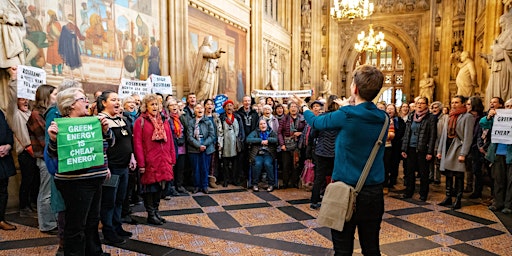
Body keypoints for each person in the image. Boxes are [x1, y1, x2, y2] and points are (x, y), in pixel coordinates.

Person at [292, 64, 387, 255]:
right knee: (372, 249)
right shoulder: (384, 118)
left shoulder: (346, 115)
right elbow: (362, 116)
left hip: (345, 191)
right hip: (374, 193)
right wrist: (349, 106)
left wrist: (304, 105)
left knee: (342, 250)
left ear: (355, 89)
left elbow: (317, 122)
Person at [47, 87, 112, 255]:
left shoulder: (92, 122)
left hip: (95, 179)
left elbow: (109, 145)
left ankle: (94, 253)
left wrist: (106, 132)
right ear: (70, 105)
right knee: (76, 225)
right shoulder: (61, 125)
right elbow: (53, 153)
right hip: (75, 182)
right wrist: (53, 140)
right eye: (82, 99)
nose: (87, 102)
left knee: (92, 221)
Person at [97, 90, 136, 244]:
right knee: (109, 200)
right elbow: (101, 145)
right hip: (111, 167)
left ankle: (117, 225)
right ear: (104, 103)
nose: (118, 102)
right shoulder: (100, 121)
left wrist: (131, 156)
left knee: (120, 198)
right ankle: (108, 230)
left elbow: (128, 141)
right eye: (113, 99)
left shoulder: (122, 120)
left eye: (118, 99)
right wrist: (104, 166)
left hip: (124, 167)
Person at [133, 94, 176, 225]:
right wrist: (141, 163)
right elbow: (138, 144)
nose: (154, 107)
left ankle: (156, 211)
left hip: (163, 160)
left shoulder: (164, 120)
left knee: (160, 187)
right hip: (149, 161)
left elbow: (170, 141)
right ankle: (151, 214)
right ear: (145, 107)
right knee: (150, 188)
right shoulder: (140, 121)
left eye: (156, 104)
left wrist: (172, 158)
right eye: (151, 104)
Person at [26, 85, 58, 234]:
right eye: (55, 94)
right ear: (47, 96)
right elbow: (44, 139)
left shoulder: (47, 113)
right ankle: (46, 224)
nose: (58, 96)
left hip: (50, 157)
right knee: (46, 193)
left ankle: (53, 220)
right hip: (44, 158)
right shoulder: (36, 115)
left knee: (51, 191)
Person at [437, 95, 475, 210]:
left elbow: (468, 136)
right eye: (452, 102)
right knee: (448, 174)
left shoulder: (467, 117)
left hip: (458, 147)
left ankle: (458, 199)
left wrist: (463, 153)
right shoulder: (449, 116)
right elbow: (444, 134)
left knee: (458, 175)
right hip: (447, 146)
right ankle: (448, 196)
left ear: (463, 104)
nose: (453, 104)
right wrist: (439, 150)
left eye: (456, 102)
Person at [401, 97, 437, 201]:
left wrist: (430, 151)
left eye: (422, 103)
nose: (420, 105)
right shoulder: (411, 116)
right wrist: (404, 148)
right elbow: (407, 133)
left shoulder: (430, 118)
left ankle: (423, 193)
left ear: (426, 105)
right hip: (410, 148)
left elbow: (432, 136)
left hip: (422, 149)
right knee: (409, 172)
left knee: (423, 173)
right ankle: (409, 191)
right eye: (418, 103)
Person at [480, 98, 512, 214]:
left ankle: (508, 205)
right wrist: (489, 116)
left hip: (510, 154)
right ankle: (497, 202)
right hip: (498, 152)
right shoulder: (499, 118)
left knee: (510, 181)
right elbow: (483, 123)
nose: (510, 109)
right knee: (498, 180)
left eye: (511, 106)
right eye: (508, 107)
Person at [309, 99, 336, 209]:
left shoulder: (321, 118)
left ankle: (314, 201)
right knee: (336, 177)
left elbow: (313, 134)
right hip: (335, 151)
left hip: (322, 151)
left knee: (319, 177)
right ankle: (334, 201)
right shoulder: (340, 118)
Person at [483, 9, 512, 108]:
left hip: (504, 68)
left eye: (502, 23)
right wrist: (489, 57)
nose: (500, 26)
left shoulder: (510, 33)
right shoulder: (502, 35)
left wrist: (495, 48)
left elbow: (508, 49)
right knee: (491, 90)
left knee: (502, 92)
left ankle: (502, 108)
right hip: (496, 68)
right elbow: (498, 51)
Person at [187, 104, 215, 194]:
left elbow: (212, 135)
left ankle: (205, 185)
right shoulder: (191, 122)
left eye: (201, 108)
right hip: (194, 149)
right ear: (194, 110)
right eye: (197, 108)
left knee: (204, 168)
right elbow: (189, 137)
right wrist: (198, 145)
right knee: (196, 168)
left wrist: (204, 144)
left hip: (206, 148)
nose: (199, 109)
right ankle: (196, 186)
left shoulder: (208, 121)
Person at [278, 101, 305, 188]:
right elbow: (279, 132)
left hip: (298, 145)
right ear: (289, 109)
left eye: (295, 106)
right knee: (286, 165)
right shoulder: (284, 119)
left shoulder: (302, 118)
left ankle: (294, 182)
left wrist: (300, 133)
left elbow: (306, 131)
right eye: (291, 107)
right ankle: (285, 183)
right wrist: (282, 144)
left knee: (296, 164)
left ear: (298, 108)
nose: (293, 108)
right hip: (286, 144)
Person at [247, 119, 278, 192]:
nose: (262, 125)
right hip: (258, 153)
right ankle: (255, 184)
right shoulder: (255, 132)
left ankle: (271, 184)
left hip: (268, 154)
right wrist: (260, 141)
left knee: (268, 164)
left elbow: (276, 139)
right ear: (258, 125)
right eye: (261, 124)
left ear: (267, 124)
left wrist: (268, 140)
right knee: (257, 164)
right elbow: (248, 139)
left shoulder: (271, 132)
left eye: (264, 123)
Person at [218, 100, 244, 187]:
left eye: (230, 106)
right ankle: (226, 180)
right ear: (224, 108)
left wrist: (241, 139)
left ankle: (234, 179)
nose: (229, 107)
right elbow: (219, 131)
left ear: (233, 107)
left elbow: (241, 130)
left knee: (235, 163)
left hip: (235, 143)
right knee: (225, 164)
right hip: (225, 143)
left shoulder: (237, 117)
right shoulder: (221, 117)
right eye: (227, 106)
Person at [191, 36, 224, 101]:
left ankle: (205, 104)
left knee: (208, 92)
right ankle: (197, 103)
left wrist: (216, 66)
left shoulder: (209, 50)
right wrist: (217, 53)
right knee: (204, 91)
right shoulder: (203, 48)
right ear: (207, 40)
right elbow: (211, 55)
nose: (212, 42)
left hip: (209, 75)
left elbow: (211, 61)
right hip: (204, 74)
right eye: (211, 40)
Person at [463, 96, 485, 194]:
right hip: (469, 145)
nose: (466, 106)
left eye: (468, 104)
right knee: (468, 168)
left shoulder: (481, 117)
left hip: (477, 147)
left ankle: (477, 190)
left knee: (477, 169)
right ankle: (468, 186)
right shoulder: (467, 116)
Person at [0, 109, 16, 230]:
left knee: (2, 190)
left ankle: (1, 219)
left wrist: (8, 145)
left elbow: (8, 132)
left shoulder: (0, 112)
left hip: (3, 159)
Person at [58, 14, 86, 81]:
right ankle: (82, 77)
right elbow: (80, 36)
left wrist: (61, 49)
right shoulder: (72, 27)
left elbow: (61, 39)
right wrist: (85, 37)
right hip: (73, 47)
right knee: (78, 62)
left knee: (70, 61)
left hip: (69, 47)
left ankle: (72, 77)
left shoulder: (65, 27)